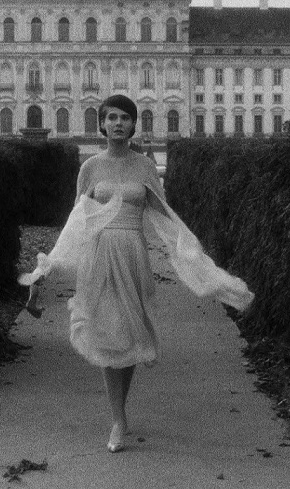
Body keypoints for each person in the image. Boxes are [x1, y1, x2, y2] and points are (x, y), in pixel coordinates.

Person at [19, 94, 253, 453]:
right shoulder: (90, 168)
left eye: (124, 118)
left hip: (132, 255)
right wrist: (45, 269)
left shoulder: (145, 167)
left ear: (133, 125)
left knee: (129, 333)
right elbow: (74, 225)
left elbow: (165, 219)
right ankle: (118, 419)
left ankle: (121, 410)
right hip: (99, 256)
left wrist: (198, 263)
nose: (117, 124)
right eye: (111, 117)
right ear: (101, 124)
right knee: (107, 332)